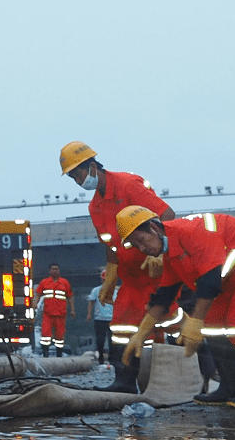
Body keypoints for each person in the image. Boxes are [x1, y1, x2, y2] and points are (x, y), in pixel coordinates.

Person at [116, 206, 235, 410]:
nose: (142, 249)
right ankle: (231, 388)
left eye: (141, 240)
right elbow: (164, 297)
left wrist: (194, 321)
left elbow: (209, 281)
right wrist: (141, 333)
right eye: (136, 246)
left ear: (153, 228)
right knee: (213, 328)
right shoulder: (173, 253)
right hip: (232, 278)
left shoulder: (191, 233)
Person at [59, 141, 177, 393]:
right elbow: (110, 244)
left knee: (171, 323)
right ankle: (124, 383)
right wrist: (110, 276)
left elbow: (167, 215)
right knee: (122, 328)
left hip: (157, 272)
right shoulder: (95, 207)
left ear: (92, 166)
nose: (77, 181)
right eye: (71, 177)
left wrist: (162, 249)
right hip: (132, 277)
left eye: (77, 173)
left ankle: (192, 380)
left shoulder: (127, 185)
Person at [36, 264, 72, 357]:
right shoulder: (44, 282)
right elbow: (38, 294)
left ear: (59, 271)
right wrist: (34, 305)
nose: (55, 271)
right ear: (50, 271)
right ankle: (45, 355)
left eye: (56, 269)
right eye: (53, 269)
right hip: (48, 314)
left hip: (60, 314)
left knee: (59, 336)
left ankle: (59, 356)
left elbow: (70, 296)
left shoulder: (65, 283)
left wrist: (73, 310)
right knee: (45, 334)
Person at [86, 276, 114, 364]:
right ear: (102, 280)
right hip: (99, 318)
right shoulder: (96, 290)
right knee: (100, 340)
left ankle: (112, 357)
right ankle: (101, 357)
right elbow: (91, 302)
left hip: (112, 319)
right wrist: (89, 314)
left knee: (112, 340)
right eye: (104, 279)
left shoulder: (115, 291)